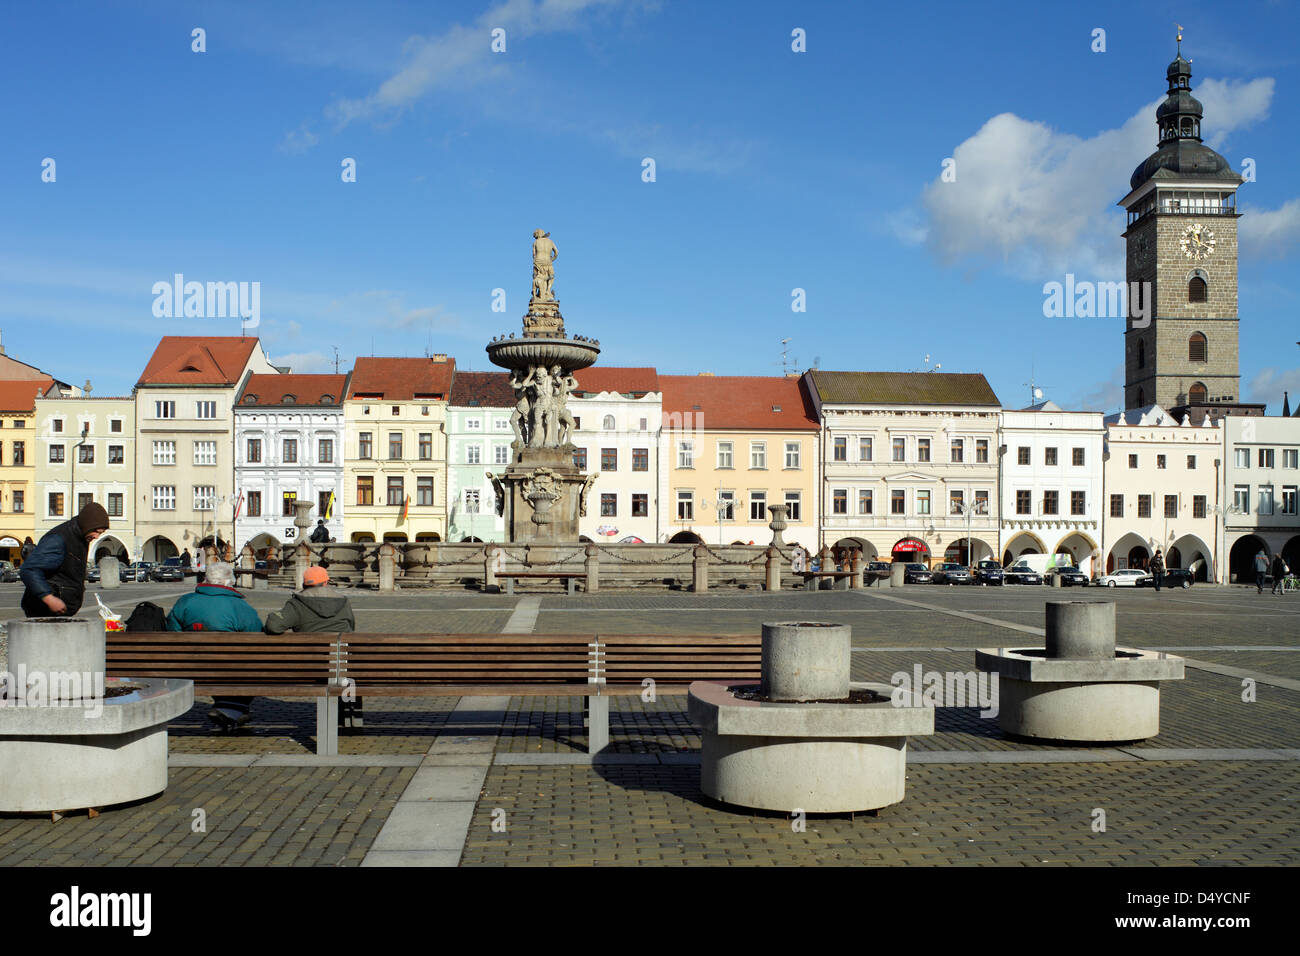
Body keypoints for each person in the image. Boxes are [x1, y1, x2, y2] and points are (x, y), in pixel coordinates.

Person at [166, 562, 264, 730]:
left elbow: (172, 631)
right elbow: (256, 636)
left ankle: (228, 708)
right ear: (229, 582)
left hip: (190, 666)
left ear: (206, 579)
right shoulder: (240, 606)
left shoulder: (185, 601)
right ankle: (230, 708)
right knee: (253, 665)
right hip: (231, 667)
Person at [266, 566, 359, 727]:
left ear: (304, 584)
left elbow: (274, 626)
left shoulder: (297, 603)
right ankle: (348, 716)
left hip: (309, 665)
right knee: (344, 672)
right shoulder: (343, 601)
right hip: (342, 665)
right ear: (326, 582)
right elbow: (351, 626)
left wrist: (273, 616)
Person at [19, 502, 110, 618]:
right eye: (96, 532)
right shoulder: (58, 539)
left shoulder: (80, 536)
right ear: (87, 525)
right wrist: (49, 598)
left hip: (59, 612)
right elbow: (29, 570)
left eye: (101, 533)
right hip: (44, 611)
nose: (97, 537)